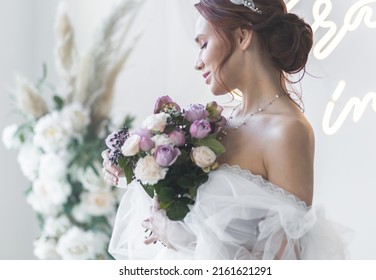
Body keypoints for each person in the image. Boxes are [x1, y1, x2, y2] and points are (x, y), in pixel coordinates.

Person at [102, 0, 349, 259]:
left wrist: (189, 242)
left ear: (242, 37)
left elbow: (288, 259)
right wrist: (133, 161)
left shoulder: (287, 131)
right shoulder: (216, 125)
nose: (198, 63)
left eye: (203, 44)